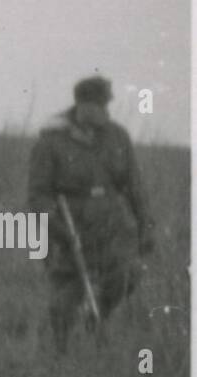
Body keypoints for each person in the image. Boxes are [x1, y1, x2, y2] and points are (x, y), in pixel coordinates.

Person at [27, 75, 154, 354]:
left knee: (128, 274)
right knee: (64, 299)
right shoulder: (51, 141)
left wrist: (146, 224)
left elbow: (134, 185)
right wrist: (58, 229)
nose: (106, 112)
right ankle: (59, 354)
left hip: (111, 227)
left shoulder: (117, 136)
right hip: (67, 229)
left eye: (106, 105)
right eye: (100, 106)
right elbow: (37, 195)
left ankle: (97, 317)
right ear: (83, 106)